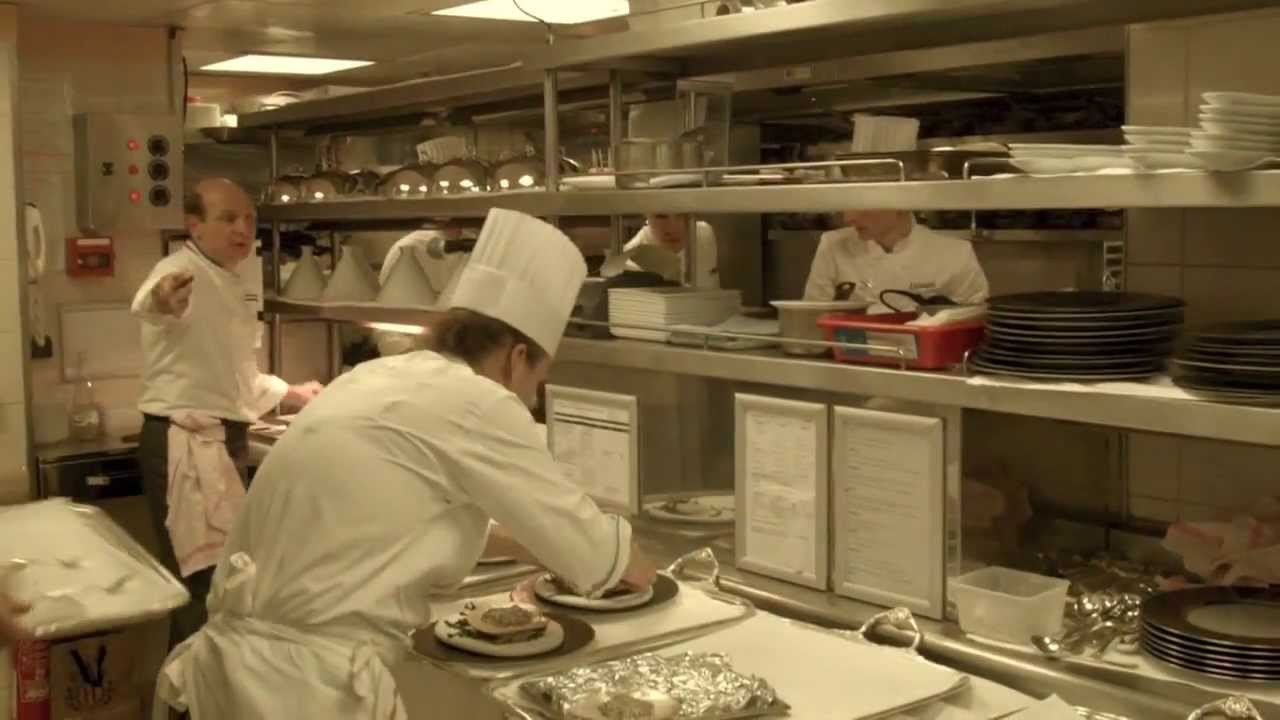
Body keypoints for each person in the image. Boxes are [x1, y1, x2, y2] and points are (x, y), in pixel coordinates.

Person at [154, 208, 658, 719]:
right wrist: (638, 565)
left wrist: (534, 546)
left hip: (230, 670)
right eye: (539, 378)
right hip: (306, 689)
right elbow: (601, 559)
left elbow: (397, 518)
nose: (532, 394)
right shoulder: (481, 401)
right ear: (517, 358)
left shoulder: (376, 376)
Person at [131, 178, 324, 647]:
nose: (243, 229)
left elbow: (235, 373)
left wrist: (292, 393)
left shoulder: (234, 278)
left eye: (249, 219)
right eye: (228, 218)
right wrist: (161, 300)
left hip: (221, 439)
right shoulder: (179, 271)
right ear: (194, 225)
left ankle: (204, 685)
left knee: (222, 584)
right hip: (185, 443)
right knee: (202, 585)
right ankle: (189, 688)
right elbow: (151, 301)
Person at [803, 210, 988, 310]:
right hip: (850, 359)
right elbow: (812, 318)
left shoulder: (955, 253)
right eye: (846, 205)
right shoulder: (833, 245)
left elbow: (975, 324)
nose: (848, 218)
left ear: (901, 205)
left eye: (862, 205)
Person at [625, 213, 719, 288]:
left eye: (681, 214)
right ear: (646, 214)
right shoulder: (630, 262)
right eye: (661, 216)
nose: (672, 228)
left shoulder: (706, 233)